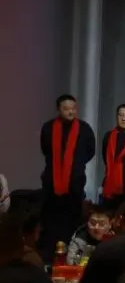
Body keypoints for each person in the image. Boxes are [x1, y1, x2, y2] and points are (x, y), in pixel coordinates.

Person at [39, 94, 96, 254]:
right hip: (52, 183)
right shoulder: (48, 127)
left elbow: (90, 151)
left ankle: (72, 254)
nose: (71, 112)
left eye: (73, 108)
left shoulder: (84, 128)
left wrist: (76, 164)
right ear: (58, 110)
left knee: (73, 220)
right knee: (51, 221)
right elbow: (45, 149)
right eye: (66, 109)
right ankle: (49, 255)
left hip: (75, 183)